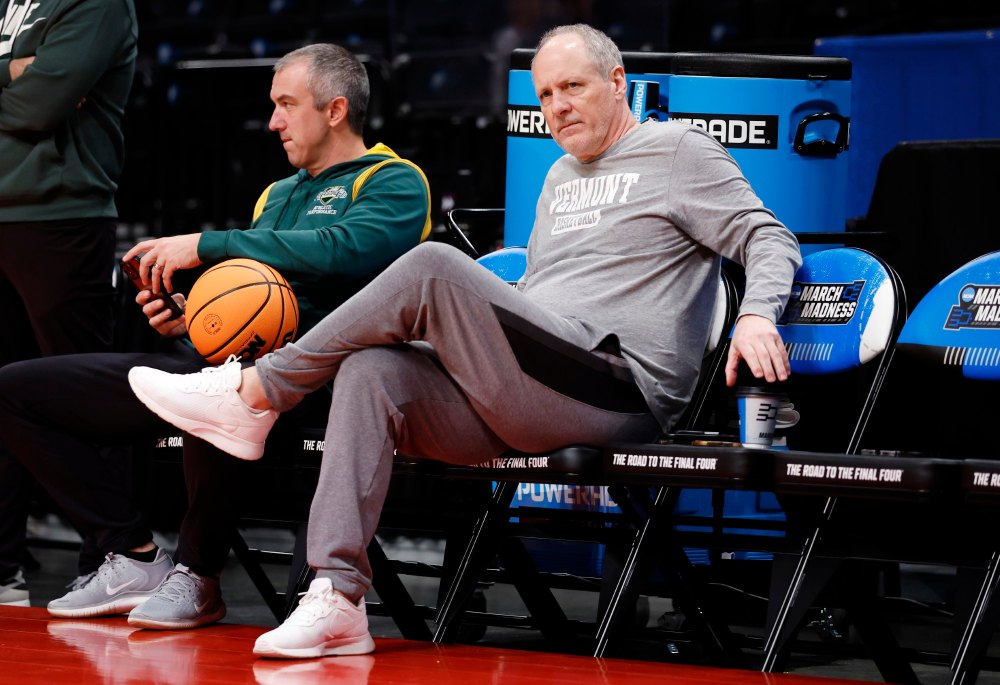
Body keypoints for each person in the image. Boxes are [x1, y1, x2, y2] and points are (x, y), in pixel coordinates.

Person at [128, 24, 801, 659]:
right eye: (544, 94)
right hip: (533, 386)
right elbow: (542, 297)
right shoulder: (561, 178)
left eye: (574, 87)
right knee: (372, 368)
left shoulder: (678, 151)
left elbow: (766, 236)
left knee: (431, 265)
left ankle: (257, 390)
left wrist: (756, 315)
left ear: (617, 80)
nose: (557, 107)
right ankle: (336, 596)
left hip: (616, 384)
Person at [0, 43, 430, 627]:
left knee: (224, 391)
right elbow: (258, 295)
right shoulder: (276, 195)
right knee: (17, 391)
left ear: (334, 109)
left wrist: (207, 244)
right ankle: (129, 552)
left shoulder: (394, 181)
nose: (273, 120)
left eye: (286, 104)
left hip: (323, 382)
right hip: (234, 368)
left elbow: (343, 251)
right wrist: (196, 317)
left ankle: (198, 573)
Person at [0, 0, 138, 607]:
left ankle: (121, 556)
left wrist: (29, 79)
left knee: (83, 391)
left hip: (62, 216)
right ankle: (2, 569)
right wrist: (16, 69)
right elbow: (30, 91)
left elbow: (37, 107)